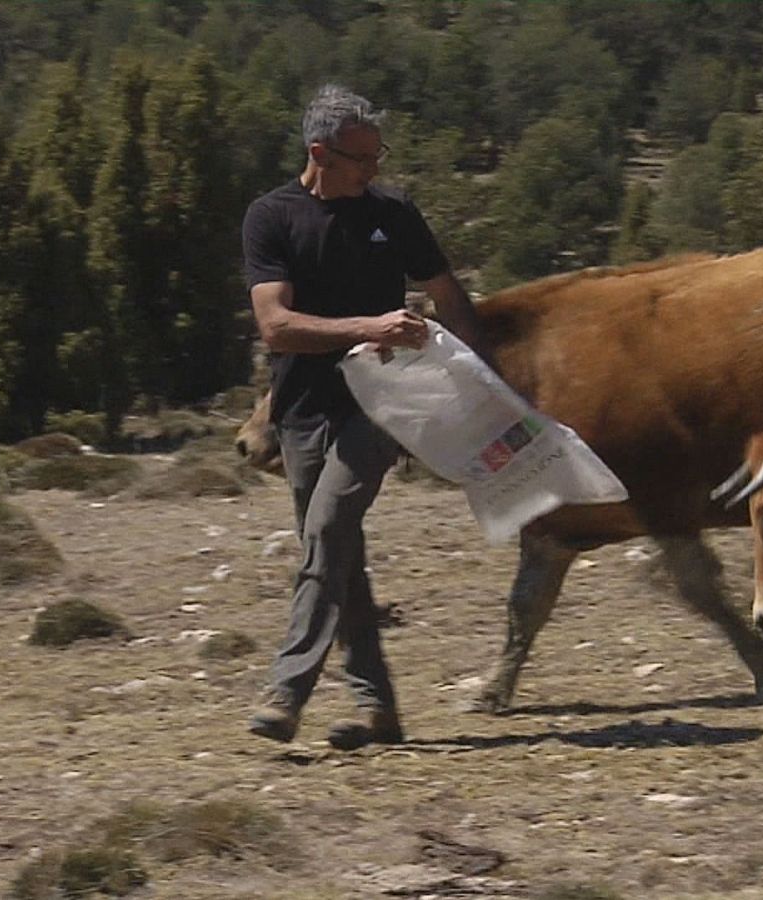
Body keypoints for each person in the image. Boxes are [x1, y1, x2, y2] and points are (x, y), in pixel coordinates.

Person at [242, 84, 484, 749]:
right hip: (300, 410)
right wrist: (369, 325)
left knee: (326, 527)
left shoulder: (393, 212)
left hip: (383, 405)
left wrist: (487, 385)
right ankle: (379, 708)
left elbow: (449, 297)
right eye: (361, 159)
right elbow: (276, 326)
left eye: (378, 156)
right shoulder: (271, 218)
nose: (373, 169)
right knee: (337, 551)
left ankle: (286, 692)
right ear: (320, 153)